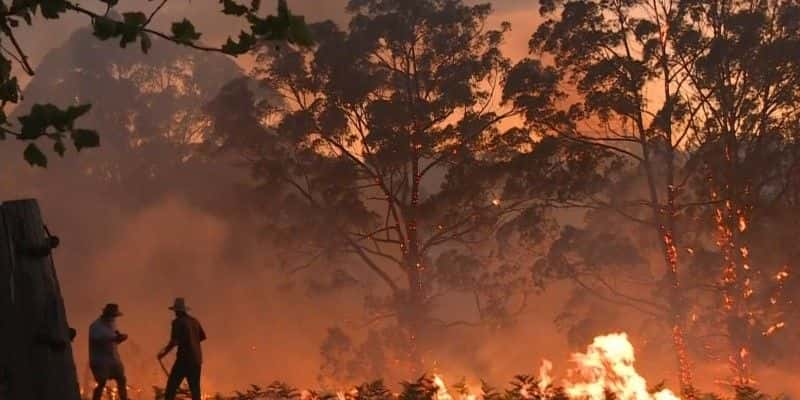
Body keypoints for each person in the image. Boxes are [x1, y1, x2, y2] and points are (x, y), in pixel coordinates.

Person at [158, 298, 206, 400]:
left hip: (184, 360)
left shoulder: (177, 322)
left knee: (171, 388)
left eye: (175, 311)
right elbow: (201, 337)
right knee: (195, 390)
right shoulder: (195, 321)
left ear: (178, 311)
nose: (175, 313)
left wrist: (163, 354)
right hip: (197, 360)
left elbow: (174, 342)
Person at [88, 303, 128, 400]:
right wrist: (114, 338)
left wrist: (119, 338)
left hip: (113, 358)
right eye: (112, 316)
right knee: (101, 383)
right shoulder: (96, 326)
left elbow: (113, 339)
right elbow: (97, 338)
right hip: (100, 360)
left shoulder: (112, 324)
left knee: (122, 379)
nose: (113, 318)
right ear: (106, 315)